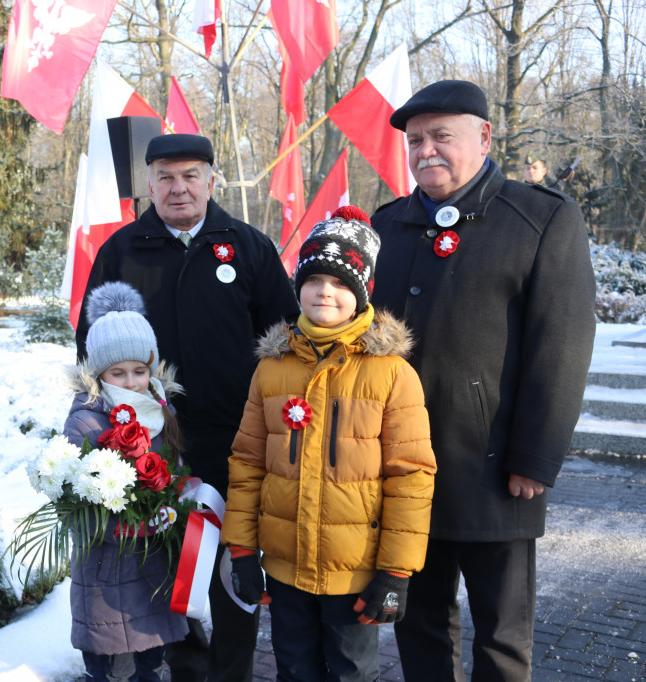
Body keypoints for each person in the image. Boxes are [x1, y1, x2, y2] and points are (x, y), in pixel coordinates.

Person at [371, 80, 596, 680]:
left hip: (496, 470)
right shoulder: (386, 225)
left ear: (484, 135)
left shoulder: (541, 217)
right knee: (418, 632)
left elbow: (563, 345)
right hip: (402, 473)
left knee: (500, 640)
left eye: (442, 136)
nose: (425, 151)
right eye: (415, 141)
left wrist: (535, 456)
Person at [75, 133, 300, 682]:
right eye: (167, 178)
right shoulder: (122, 251)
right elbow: (89, 351)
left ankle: (231, 674)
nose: (179, 188)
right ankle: (187, 670)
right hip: (147, 450)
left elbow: (286, 342)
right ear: (149, 184)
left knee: (232, 571)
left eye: (191, 175)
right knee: (168, 571)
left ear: (211, 180)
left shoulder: (248, 247)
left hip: (236, 445)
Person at [221, 206, 437, 681]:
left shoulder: (392, 374)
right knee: (294, 672)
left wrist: (396, 572)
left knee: (350, 674)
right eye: (314, 278)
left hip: (355, 571)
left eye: (341, 283)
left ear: (362, 294)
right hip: (284, 566)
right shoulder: (272, 368)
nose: (325, 292)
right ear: (298, 284)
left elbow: (412, 475)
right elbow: (248, 460)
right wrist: (240, 550)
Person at [64, 281, 190, 682]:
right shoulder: (86, 420)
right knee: (110, 668)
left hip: (154, 570)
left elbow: (175, 469)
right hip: (107, 577)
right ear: (98, 373)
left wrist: (178, 503)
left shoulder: (159, 411)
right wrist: (131, 522)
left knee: (150, 666)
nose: (131, 382)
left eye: (139, 371)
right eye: (118, 373)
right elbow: (77, 507)